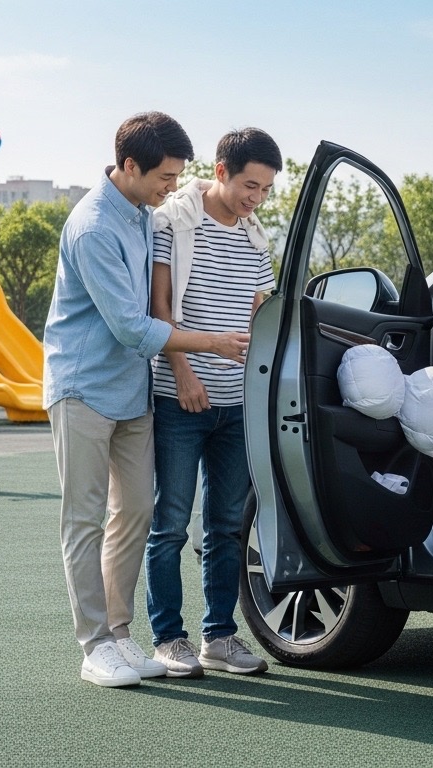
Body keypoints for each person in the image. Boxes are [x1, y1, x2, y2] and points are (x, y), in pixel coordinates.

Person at [43, 111, 250, 688]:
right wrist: (213, 343)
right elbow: (132, 328)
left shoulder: (143, 211)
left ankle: (117, 635)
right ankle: (94, 646)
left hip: (133, 393)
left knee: (134, 512)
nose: (172, 186)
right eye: (165, 176)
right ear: (129, 166)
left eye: (178, 175)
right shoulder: (92, 227)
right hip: (83, 388)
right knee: (83, 521)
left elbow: (191, 202)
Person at [143, 128, 280, 678]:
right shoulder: (174, 224)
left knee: (226, 526)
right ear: (221, 172)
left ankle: (219, 637)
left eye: (266, 190)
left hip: (237, 404)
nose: (256, 198)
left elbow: (258, 315)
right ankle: (167, 638)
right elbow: (158, 309)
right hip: (179, 398)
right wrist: (182, 373)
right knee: (171, 525)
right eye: (250, 185)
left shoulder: (256, 240)